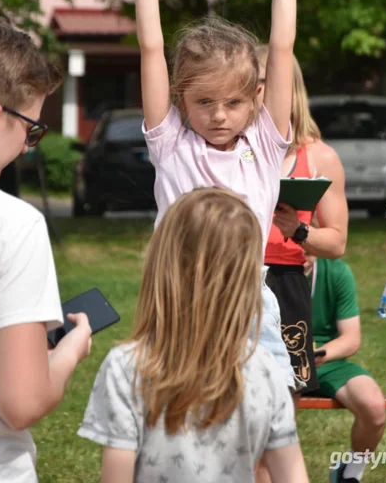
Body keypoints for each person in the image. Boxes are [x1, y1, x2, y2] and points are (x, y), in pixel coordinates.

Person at [134, 0, 300, 483]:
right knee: (176, 428)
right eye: (203, 102)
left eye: (233, 102)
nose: (220, 115)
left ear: (256, 97)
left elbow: (280, 50)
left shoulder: (264, 148)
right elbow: (152, 50)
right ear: (181, 100)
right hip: (178, 302)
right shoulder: (172, 146)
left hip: (246, 302)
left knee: (263, 435)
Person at [78, 188, 309, 482]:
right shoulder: (265, 369)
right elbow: (292, 475)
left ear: (160, 266)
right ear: (248, 279)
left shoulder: (126, 368)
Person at [0, 18, 92, 482]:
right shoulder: (13, 224)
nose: (28, 149)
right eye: (31, 129)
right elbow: (22, 402)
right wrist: (70, 351)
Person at [257, 47, 348, 400]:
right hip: (233, 276)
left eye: (261, 81)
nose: (252, 89)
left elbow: (337, 244)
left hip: (286, 285)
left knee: (284, 405)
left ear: (286, 86)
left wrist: (298, 230)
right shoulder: (230, 148)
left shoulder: (320, 157)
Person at [303, 255, 386, 483]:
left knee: (374, 407)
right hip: (279, 363)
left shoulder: (336, 271)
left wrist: (319, 355)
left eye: (307, 248)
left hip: (327, 362)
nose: (302, 254)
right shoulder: (265, 268)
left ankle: (349, 474)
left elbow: (351, 338)